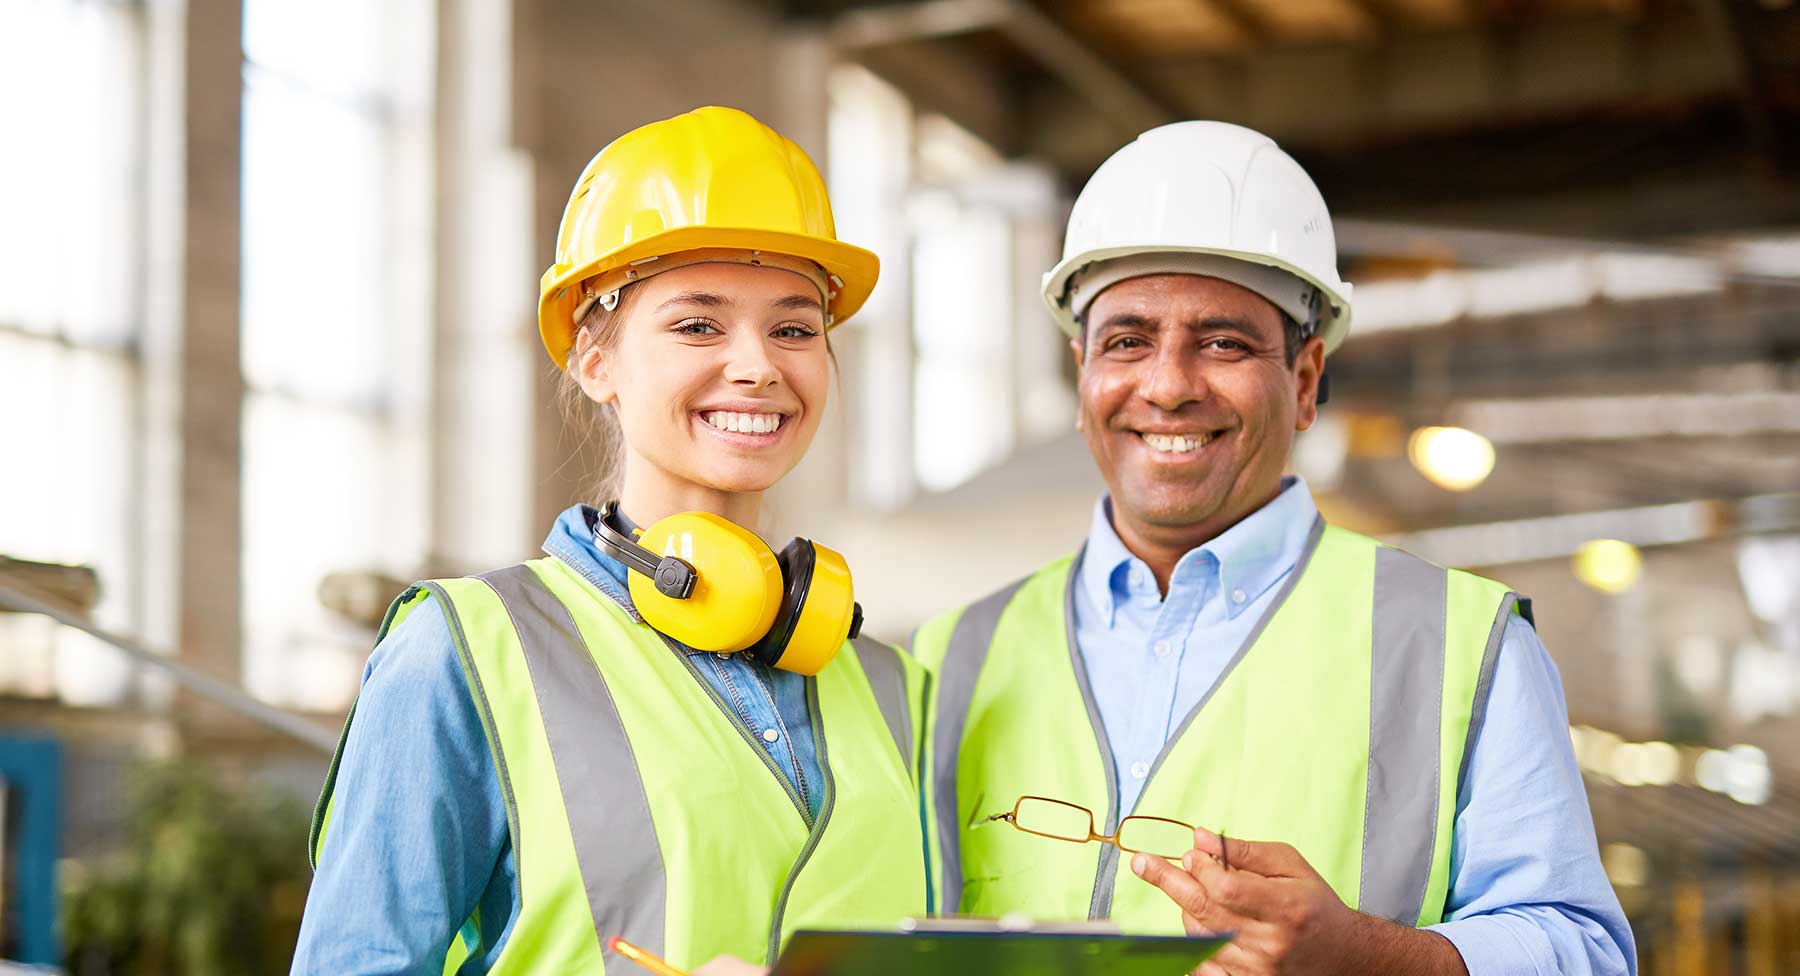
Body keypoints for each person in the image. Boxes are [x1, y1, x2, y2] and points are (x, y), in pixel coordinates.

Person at [912, 121, 1636, 975]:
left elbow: (1584, 951)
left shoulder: (1454, 645)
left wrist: (1370, 958)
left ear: (1303, 380)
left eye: (1223, 341)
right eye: (1127, 340)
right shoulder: (952, 655)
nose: (1170, 385)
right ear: (1083, 376)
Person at [292, 106, 928, 976]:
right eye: (698, 325)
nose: (759, 365)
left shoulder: (894, 689)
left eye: (794, 327)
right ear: (596, 360)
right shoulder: (465, 653)